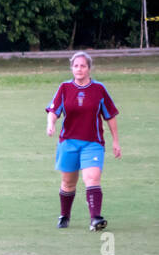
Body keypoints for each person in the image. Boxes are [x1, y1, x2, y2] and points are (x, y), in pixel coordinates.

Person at [46, 51, 120, 231]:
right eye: (76, 66)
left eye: (83, 66)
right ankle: (65, 215)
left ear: (89, 68)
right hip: (68, 142)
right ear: (71, 68)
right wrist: (51, 124)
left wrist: (116, 141)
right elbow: (53, 111)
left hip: (92, 143)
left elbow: (110, 116)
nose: (79, 69)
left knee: (92, 178)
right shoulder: (64, 88)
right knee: (68, 183)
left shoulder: (99, 89)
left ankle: (95, 218)